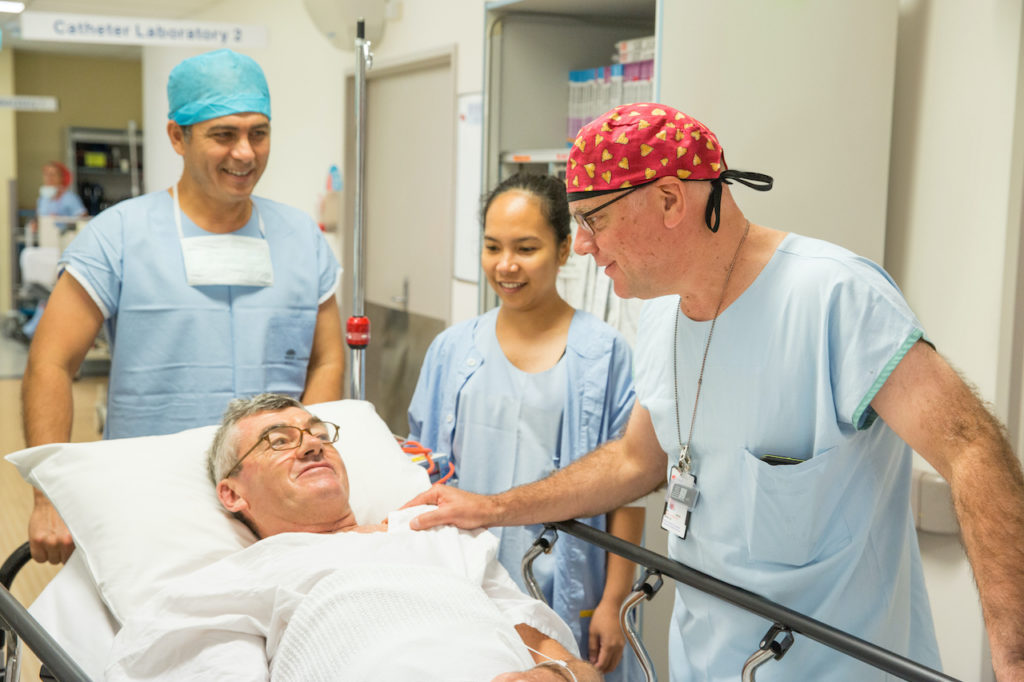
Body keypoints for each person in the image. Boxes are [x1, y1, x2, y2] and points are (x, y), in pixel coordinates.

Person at [405, 103, 1024, 681]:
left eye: (594, 219)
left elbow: (972, 450)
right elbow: (636, 461)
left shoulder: (835, 300)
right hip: (708, 661)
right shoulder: (659, 315)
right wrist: (493, 508)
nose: (585, 246)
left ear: (671, 198)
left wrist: (1013, 654)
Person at [22, 48, 345, 565]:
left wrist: (306, 460)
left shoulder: (301, 239)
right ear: (177, 136)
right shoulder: (118, 237)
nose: (245, 152)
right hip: (149, 497)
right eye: (223, 135)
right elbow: (51, 363)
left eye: (258, 133)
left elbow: (326, 359)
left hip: (273, 507)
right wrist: (47, 493)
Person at [105, 393, 602, 682]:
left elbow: (571, 666)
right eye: (278, 441)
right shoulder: (240, 578)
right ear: (232, 494)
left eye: (318, 433)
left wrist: (554, 676)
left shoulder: (435, 536)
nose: (311, 444)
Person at [407, 173, 642, 679]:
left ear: (564, 251)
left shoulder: (605, 355)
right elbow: (419, 471)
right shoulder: (452, 350)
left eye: (526, 248)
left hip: (570, 582)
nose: (506, 265)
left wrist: (615, 602)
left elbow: (629, 493)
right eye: (493, 247)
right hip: (470, 580)